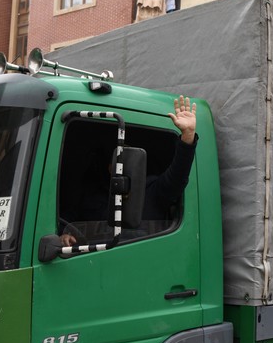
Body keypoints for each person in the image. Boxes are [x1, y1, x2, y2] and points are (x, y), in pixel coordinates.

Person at [60, 94, 198, 246]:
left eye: (129, 159)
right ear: (109, 167)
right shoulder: (90, 195)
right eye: (118, 160)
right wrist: (65, 235)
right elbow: (69, 223)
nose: (123, 165)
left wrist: (188, 136)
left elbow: (177, 177)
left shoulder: (153, 191)